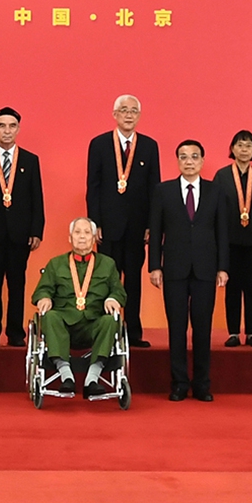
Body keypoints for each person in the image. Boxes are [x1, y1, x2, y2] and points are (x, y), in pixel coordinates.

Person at [149, 139, 229, 402]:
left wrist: (223, 267)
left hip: (206, 268)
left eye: (194, 156)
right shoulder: (163, 191)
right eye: (183, 157)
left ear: (202, 161)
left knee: (203, 328)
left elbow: (222, 232)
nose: (189, 161)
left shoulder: (216, 191)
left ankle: (202, 384)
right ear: (178, 161)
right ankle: (179, 383)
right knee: (177, 328)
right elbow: (156, 230)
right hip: (174, 268)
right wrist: (154, 267)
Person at [86, 94, 160, 347]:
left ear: (139, 116)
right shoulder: (99, 144)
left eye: (134, 111)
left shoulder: (150, 146)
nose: (129, 115)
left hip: (137, 227)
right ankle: (106, 331)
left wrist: (152, 223)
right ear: (114, 114)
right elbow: (93, 186)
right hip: (107, 227)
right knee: (106, 279)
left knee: (134, 281)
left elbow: (154, 188)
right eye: (124, 110)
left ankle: (133, 332)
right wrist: (95, 222)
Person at [0, 107, 46, 348]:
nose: (7, 130)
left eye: (11, 126)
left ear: (18, 129)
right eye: (2, 126)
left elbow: (37, 197)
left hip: (20, 234)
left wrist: (36, 230)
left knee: (17, 283)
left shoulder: (30, 160)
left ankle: (16, 332)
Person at [31, 218, 126, 397]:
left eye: (86, 233)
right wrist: (44, 298)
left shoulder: (108, 264)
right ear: (70, 238)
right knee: (49, 316)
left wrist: (113, 299)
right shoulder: (55, 264)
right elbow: (42, 289)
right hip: (63, 324)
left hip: (94, 323)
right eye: (77, 232)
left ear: (94, 238)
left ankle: (92, 378)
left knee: (109, 320)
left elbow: (119, 292)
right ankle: (67, 376)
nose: (82, 237)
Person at [216, 130, 252, 348]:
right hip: (229, 242)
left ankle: (251, 332)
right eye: (240, 145)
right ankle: (233, 332)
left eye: (249, 145)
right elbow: (214, 211)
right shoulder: (222, 176)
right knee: (232, 289)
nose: (244, 149)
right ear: (232, 149)